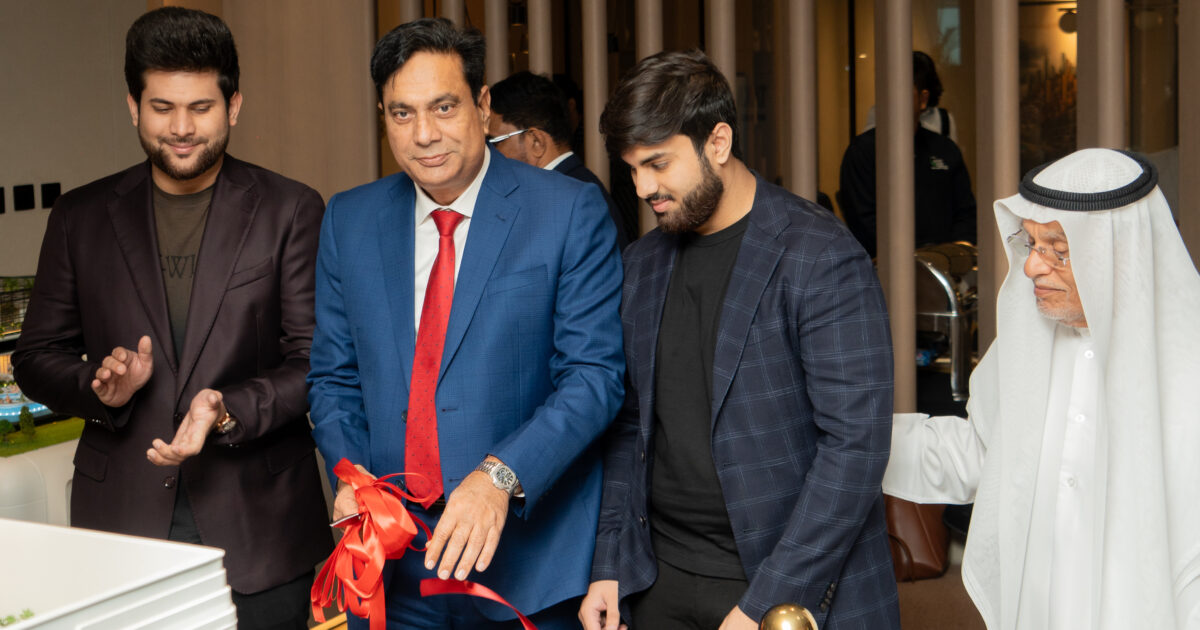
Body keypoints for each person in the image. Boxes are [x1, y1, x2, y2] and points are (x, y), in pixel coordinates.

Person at [11, 7, 331, 628]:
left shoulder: (290, 209)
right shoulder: (80, 217)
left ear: (233, 106)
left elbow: (314, 361)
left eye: (201, 108)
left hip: (261, 524)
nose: (181, 128)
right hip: (120, 522)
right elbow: (35, 356)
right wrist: (100, 388)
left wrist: (226, 408)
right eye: (162, 108)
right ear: (134, 107)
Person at [306, 18, 624, 629]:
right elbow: (333, 378)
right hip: (394, 565)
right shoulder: (349, 219)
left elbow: (594, 378)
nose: (424, 134)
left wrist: (500, 476)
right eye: (402, 113)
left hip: (527, 564)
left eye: (444, 107)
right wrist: (351, 474)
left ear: (481, 104)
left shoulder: (566, 211)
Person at [580, 49, 900, 630]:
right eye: (631, 169)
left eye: (658, 163)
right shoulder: (642, 264)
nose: (643, 186)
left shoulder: (821, 255)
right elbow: (629, 427)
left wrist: (766, 602)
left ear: (718, 142)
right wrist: (610, 564)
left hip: (781, 582)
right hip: (658, 579)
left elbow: (855, 448)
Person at [883, 148, 1200, 629]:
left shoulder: (1186, 364)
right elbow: (981, 453)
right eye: (1031, 243)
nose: (1031, 266)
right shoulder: (1027, 341)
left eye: (1058, 250)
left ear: (1120, 253)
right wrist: (853, 437)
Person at [839, 50, 976, 258]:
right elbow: (862, 220)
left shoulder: (945, 149)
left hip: (945, 265)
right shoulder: (862, 152)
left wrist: (954, 252)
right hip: (885, 265)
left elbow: (966, 212)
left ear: (923, 99)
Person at [488, 71, 633, 249]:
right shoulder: (570, 187)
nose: (490, 154)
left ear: (536, 141)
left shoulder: (573, 201)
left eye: (495, 142)